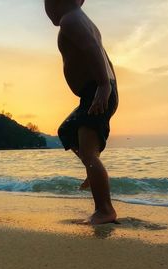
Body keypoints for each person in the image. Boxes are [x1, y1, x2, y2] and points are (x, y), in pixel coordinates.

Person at [44, 0, 119, 224]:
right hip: (96, 91)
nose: (49, 8)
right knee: (66, 131)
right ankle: (91, 171)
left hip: (97, 91)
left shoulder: (71, 20)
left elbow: (93, 49)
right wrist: (107, 86)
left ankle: (105, 210)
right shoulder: (78, 20)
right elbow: (103, 55)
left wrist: (104, 87)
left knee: (89, 154)